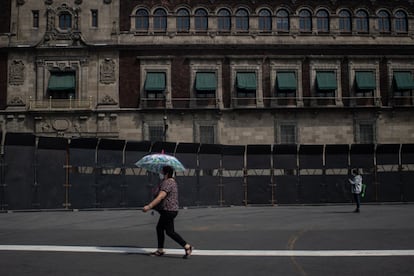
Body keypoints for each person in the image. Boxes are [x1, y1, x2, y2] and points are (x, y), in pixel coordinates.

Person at [143, 165, 193, 258]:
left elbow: (161, 196)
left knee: (170, 231)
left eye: (162, 172)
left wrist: (149, 206)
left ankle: (187, 246)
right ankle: (160, 250)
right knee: (160, 228)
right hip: (170, 210)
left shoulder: (167, 183)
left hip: (168, 210)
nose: (160, 174)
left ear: (166, 173)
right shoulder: (170, 182)